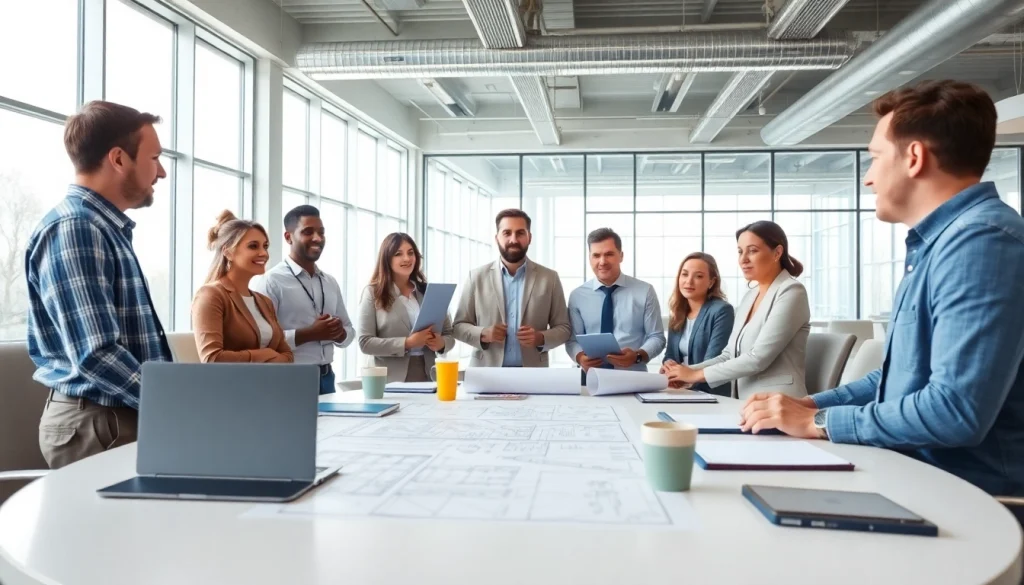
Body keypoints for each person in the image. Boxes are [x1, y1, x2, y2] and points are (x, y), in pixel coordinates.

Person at [738, 80, 1024, 497]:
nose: (868, 178)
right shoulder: (940, 244)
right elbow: (898, 377)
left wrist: (818, 424)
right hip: (914, 476)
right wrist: (814, 406)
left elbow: (954, 411)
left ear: (913, 157)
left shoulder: (982, 243)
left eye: (874, 158)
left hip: (966, 499)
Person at [25, 100, 173, 469]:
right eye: (154, 158)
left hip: (113, 417)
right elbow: (97, 353)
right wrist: (177, 403)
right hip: (101, 422)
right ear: (119, 159)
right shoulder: (77, 228)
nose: (162, 172)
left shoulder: (100, 227)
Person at [665, 221, 810, 400]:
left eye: (753, 250)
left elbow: (758, 358)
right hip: (743, 402)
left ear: (777, 253)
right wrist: (684, 373)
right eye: (740, 251)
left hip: (778, 402)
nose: (743, 259)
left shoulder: (791, 291)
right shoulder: (750, 296)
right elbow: (728, 355)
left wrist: (694, 375)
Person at [251, 205, 354, 394]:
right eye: (308, 232)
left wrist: (339, 333)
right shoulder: (271, 281)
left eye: (321, 232)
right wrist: (309, 333)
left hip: (327, 377)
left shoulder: (330, 282)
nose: (318, 238)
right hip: (290, 379)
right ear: (288, 237)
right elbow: (261, 340)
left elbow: (349, 332)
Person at [453, 209, 571, 367]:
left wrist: (540, 338)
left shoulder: (550, 278)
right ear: (497, 238)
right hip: (487, 374)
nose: (513, 239)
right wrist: (483, 334)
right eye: (507, 233)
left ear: (529, 238)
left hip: (533, 374)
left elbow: (564, 328)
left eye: (520, 233)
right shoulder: (476, 277)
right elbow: (459, 326)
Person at [191, 211, 293, 363]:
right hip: (231, 386)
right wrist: (264, 355)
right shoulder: (211, 295)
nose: (263, 253)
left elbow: (288, 356)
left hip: (267, 384)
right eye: (253, 246)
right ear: (228, 252)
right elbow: (212, 358)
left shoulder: (265, 302)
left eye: (265, 246)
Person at [565, 228, 666, 378]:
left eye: (609, 254)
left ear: (621, 256)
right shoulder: (577, 296)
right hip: (592, 378)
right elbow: (572, 340)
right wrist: (580, 358)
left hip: (633, 377)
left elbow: (657, 337)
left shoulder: (645, 291)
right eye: (596, 255)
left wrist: (637, 355)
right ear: (589, 258)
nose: (602, 261)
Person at [357, 233, 455, 382]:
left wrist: (441, 343)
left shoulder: (429, 292)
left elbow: (449, 334)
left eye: (411, 253)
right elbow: (365, 342)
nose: (407, 259)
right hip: (390, 378)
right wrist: (407, 343)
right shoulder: (372, 293)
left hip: (429, 374)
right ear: (386, 259)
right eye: (398, 254)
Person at [659, 252, 735, 396]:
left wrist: (684, 374)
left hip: (710, 393)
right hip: (679, 391)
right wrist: (669, 365)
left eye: (698, 276)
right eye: (685, 274)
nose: (689, 281)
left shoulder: (722, 310)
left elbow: (715, 359)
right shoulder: (677, 311)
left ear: (711, 282)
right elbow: (670, 354)